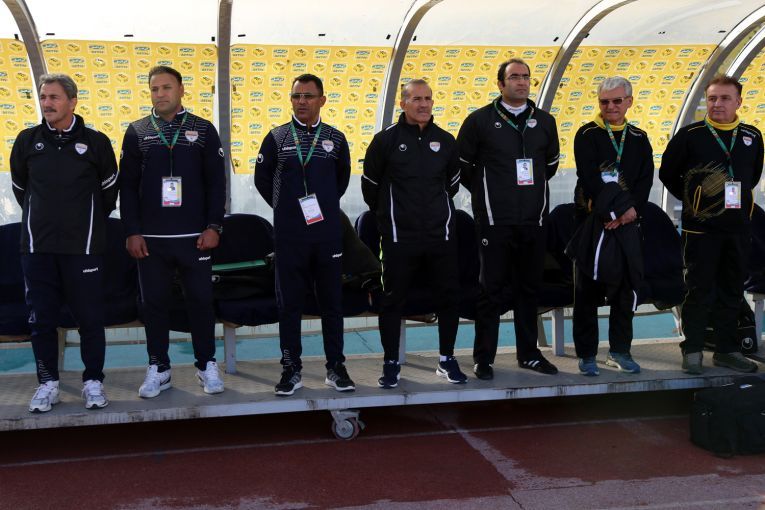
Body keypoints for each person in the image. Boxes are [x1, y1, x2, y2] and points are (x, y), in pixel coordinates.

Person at [10, 73, 117, 412]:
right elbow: (20, 188)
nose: (47, 103)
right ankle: (48, 383)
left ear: (72, 101)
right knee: (41, 320)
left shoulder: (96, 142)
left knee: (90, 319)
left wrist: (80, 223)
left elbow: (108, 193)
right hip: (37, 248)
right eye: (43, 97)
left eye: (54, 97)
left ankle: (93, 381)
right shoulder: (27, 140)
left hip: (83, 249)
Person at [119, 65, 226, 397]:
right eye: (155, 89)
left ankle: (206, 364)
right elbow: (127, 186)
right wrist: (132, 231)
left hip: (195, 239)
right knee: (153, 304)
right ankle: (159, 367)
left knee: (201, 302)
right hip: (151, 241)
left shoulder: (203, 129)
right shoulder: (137, 131)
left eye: (166, 87)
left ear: (181, 90)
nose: (160, 94)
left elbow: (216, 182)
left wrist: (214, 226)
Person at [457, 58, 560, 380]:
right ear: (501, 84)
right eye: (514, 77)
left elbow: (550, 165)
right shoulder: (479, 121)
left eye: (526, 77)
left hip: (533, 219)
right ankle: (483, 358)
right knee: (491, 290)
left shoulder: (545, 121)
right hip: (494, 220)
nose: (521, 82)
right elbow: (463, 167)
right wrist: (491, 193)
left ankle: (529, 354)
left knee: (529, 289)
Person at [255, 74, 354, 396]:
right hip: (290, 236)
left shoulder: (335, 138)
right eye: (296, 96)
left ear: (322, 100)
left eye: (308, 96)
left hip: (327, 235)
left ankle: (335, 367)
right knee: (289, 305)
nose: (302, 102)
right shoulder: (277, 137)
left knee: (332, 304)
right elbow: (262, 179)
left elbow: (341, 181)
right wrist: (286, 209)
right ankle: (291, 368)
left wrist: (321, 206)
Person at [362, 79, 465, 388]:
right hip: (398, 237)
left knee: (449, 296)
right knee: (392, 300)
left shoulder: (445, 140)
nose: (423, 104)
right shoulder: (385, 141)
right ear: (403, 103)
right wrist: (392, 217)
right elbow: (371, 187)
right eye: (417, 99)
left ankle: (447, 359)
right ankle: (391, 362)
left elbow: (452, 185)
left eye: (428, 99)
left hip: (439, 236)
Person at [660, 75, 762, 374]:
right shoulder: (690, 135)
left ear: (738, 102)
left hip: (737, 228)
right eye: (712, 98)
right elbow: (668, 173)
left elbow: (752, 175)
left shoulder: (752, 136)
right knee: (698, 289)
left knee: (732, 290)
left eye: (724, 98)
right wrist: (695, 200)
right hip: (700, 229)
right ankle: (692, 350)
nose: (717, 104)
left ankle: (727, 350)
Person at [571, 76, 654, 376]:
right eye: (604, 102)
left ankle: (620, 351)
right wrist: (615, 211)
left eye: (617, 101)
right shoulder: (587, 134)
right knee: (586, 291)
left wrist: (630, 212)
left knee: (625, 290)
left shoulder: (639, 138)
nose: (611, 107)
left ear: (629, 101)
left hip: (627, 224)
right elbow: (590, 179)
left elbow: (644, 181)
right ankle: (586, 354)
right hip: (593, 224)